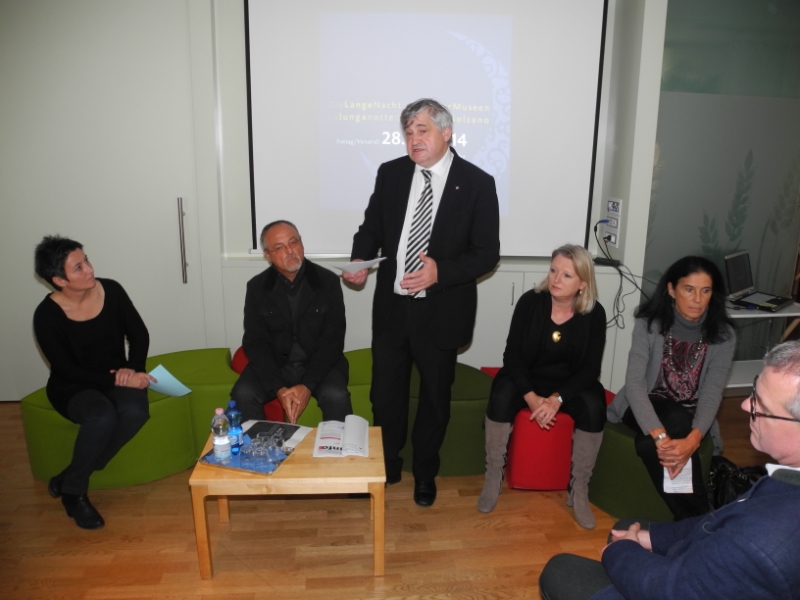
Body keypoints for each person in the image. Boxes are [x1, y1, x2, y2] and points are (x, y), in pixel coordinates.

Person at [539, 340, 800, 600]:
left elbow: (668, 590)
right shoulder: (786, 479)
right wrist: (651, 538)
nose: (744, 405)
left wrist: (621, 552)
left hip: (678, 588)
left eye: (761, 406)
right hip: (709, 570)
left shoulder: (761, 542)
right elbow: (714, 522)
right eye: (754, 390)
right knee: (629, 525)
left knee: (561, 571)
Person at [343, 98, 500, 507]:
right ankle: (387, 465)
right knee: (385, 396)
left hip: (441, 311)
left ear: (446, 133)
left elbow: (487, 254)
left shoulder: (477, 182)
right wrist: (360, 259)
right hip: (393, 309)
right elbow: (371, 228)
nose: (414, 139)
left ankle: (425, 473)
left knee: (434, 399)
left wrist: (439, 272)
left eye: (422, 130)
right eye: (409, 132)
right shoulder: (392, 173)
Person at [478, 244, 607, 528]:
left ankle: (579, 487)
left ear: (583, 283)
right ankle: (493, 474)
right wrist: (532, 397)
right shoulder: (530, 302)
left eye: (566, 275)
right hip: (527, 378)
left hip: (569, 384)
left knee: (594, 407)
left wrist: (557, 399)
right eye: (553, 270)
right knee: (502, 394)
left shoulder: (594, 314)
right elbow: (512, 355)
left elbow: (590, 370)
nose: (556, 279)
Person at [33, 235, 155, 530]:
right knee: (102, 417)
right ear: (59, 280)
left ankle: (70, 475)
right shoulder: (46, 316)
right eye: (78, 267)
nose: (90, 269)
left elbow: (139, 334)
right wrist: (118, 377)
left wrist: (133, 370)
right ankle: (74, 495)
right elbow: (66, 369)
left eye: (86, 260)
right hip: (72, 385)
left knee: (137, 412)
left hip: (118, 377)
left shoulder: (110, 289)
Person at [608, 256, 736, 519]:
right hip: (645, 406)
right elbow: (635, 384)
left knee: (649, 445)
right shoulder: (649, 324)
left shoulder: (724, 335)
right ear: (671, 289)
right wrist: (661, 437)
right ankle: (702, 517)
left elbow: (712, 393)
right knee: (674, 420)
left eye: (705, 291)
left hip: (690, 414)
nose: (697, 299)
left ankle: (686, 520)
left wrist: (692, 440)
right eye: (689, 289)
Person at [231, 220, 351, 424]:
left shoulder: (327, 282)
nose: (290, 251)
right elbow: (255, 342)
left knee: (336, 395)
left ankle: (338, 445)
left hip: (318, 363)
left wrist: (308, 385)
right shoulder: (257, 287)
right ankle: (260, 443)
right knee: (243, 393)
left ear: (301, 243)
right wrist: (278, 388)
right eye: (279, 247)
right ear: (267, 254)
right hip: (276, 365)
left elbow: (332, 340)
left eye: (293, 242)